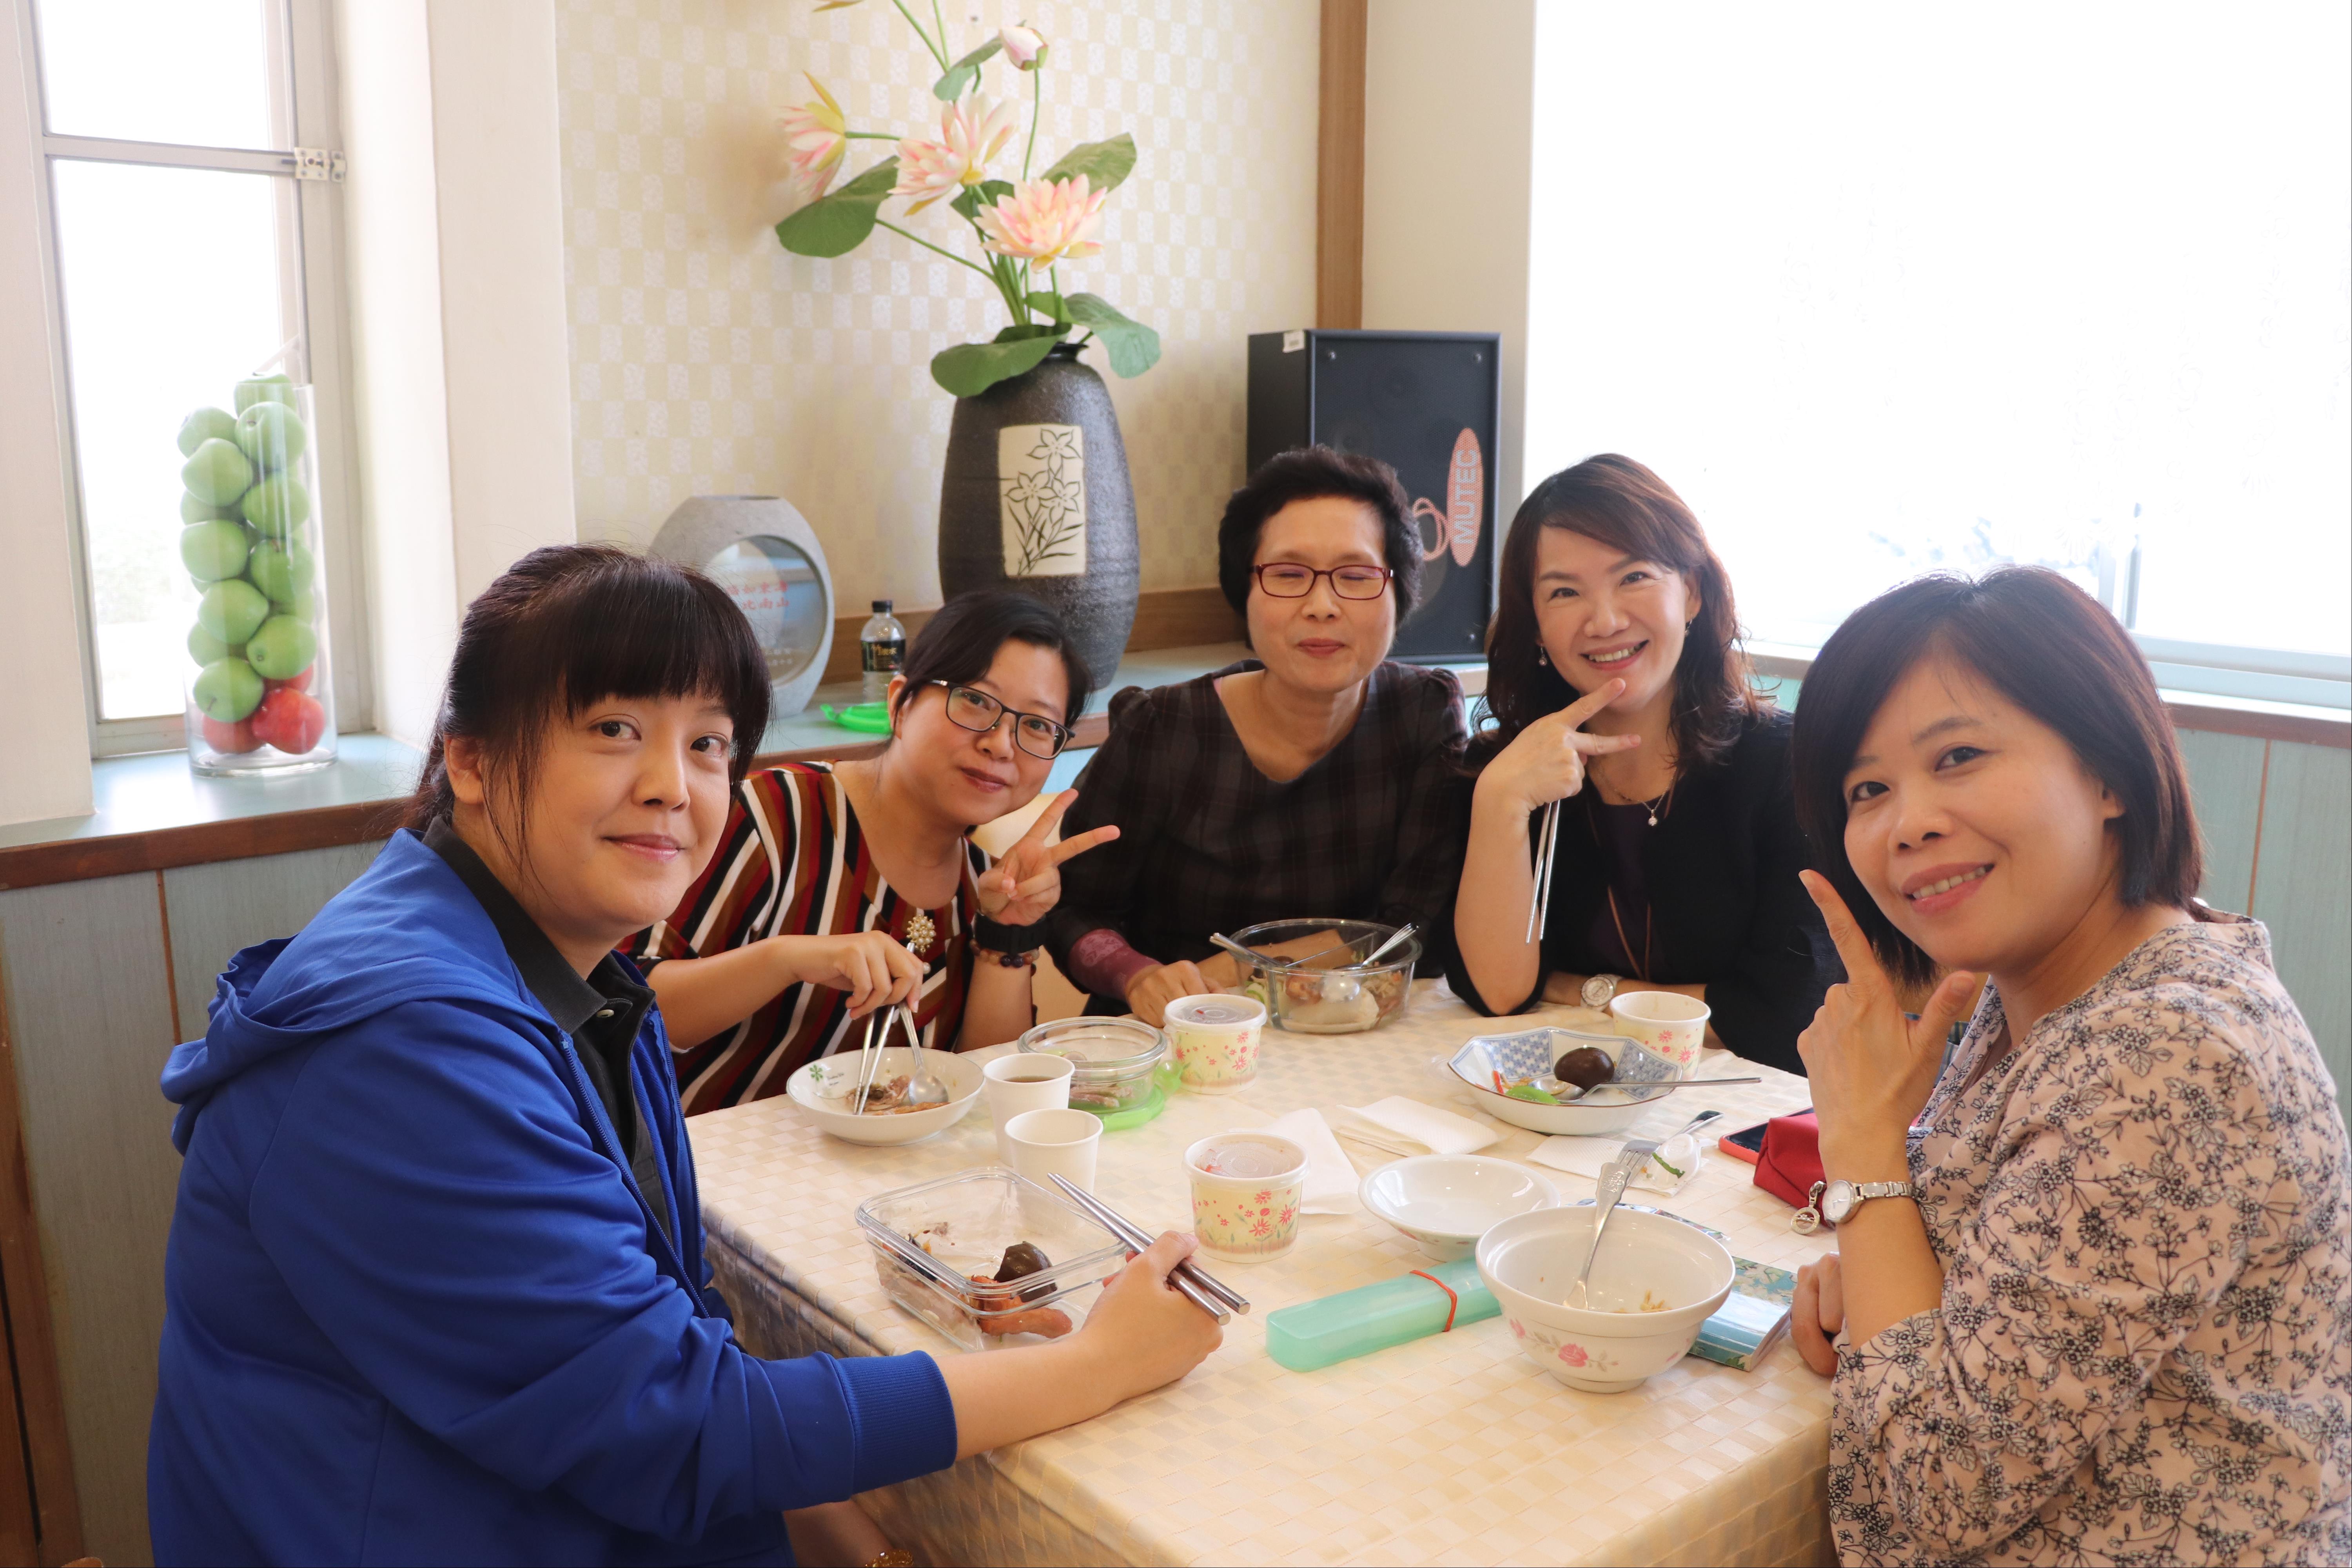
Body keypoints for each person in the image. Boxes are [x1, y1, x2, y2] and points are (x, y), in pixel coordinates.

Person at [149, 546, 1219, 1566]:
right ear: (469, 760)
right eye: (615, 728)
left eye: (709, 743)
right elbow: (681, 1427)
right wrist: (1098, 1363)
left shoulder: (563, 973)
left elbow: (670, 1334)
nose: (674, 784)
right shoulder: (411, 1047)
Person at [1783, 567, 2350, 1565]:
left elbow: (1939, 1489)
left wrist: (1864, 1154)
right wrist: (1892, 1270)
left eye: (1958, 756)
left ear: (2110, 773)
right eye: (1868, 790)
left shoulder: (2164, 1054)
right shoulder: (2051, 986)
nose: (1907, 821)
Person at [627, 591, 1116, 1113]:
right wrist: (786, 960)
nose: (1001, 744)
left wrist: (1007, 930)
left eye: (1038, 725)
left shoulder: (986, 886)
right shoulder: (771, 816)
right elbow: (627, 1006)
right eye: (975, 701)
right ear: (900, 704)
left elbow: (987, 1093)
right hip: (697, 1158)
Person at [1043, 445, 1470, 1020]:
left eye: (1356, 576)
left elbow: (1416, 924)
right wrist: (1137, 975)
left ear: (1400, 593)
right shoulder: (1164, 728)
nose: (1322, 606)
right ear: (1243, 591)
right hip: (1177, 1035)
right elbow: (1074, 909)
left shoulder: (1422, 713)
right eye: (1289, 575)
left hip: (1345, 1032)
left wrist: (1238, 968)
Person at [1446, 454, 1835, 1073]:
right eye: (1564, 592)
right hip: (1561, 1099)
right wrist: (1500, 802)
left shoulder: (1786, 767)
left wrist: (1582, 989)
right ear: (1537, 627)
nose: (1605, 620)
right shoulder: (1508, 770)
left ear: (1692, 593)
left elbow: (1783, 1012)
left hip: (1737, 1109)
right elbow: (1498, 991)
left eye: (1634, 577)